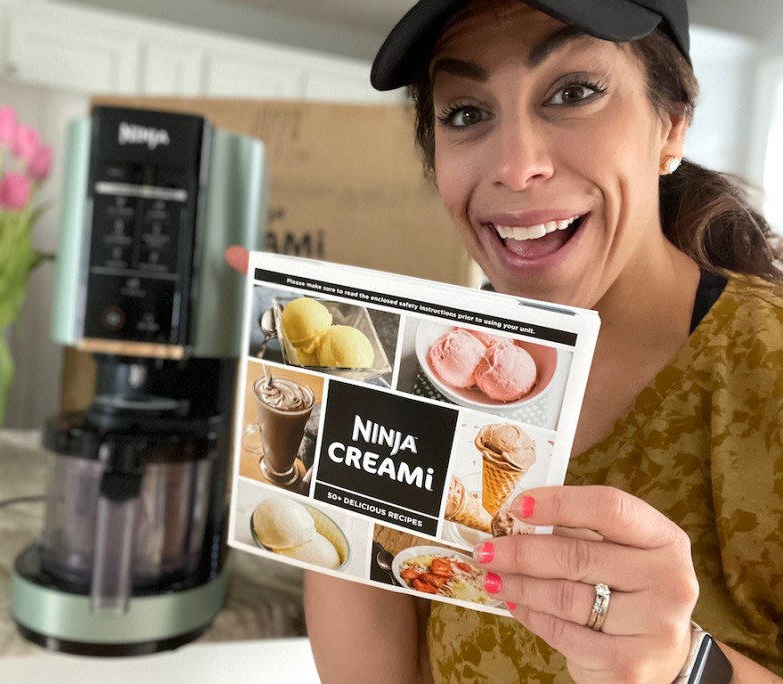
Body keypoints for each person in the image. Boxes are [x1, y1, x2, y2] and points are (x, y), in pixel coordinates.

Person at [291, 1, 783, 682]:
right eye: (465, 113)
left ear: (672, 125)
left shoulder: (768, 370)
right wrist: (335, 463)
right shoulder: (422, 367)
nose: (517, 166)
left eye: (574, 93)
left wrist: (685, 668)